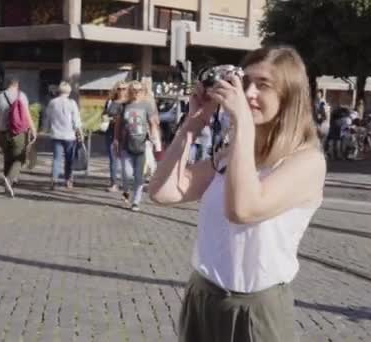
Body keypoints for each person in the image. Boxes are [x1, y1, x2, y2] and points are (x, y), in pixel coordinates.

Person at [149, 46, 326, 341]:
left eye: (263, 85)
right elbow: (162, 191)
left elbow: (243, 210)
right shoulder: (232, 153)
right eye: (245, 83)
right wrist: (193, 125)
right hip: (203, 295)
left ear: (290, 96)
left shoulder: (307, 162)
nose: (249, 93)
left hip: (254, 309)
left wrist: (242, 121)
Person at [113, 81, 159, 211]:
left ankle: (136, 201)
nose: (136, 92)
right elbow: (118, 124)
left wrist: (154, 136)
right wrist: (116, 139)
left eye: (139, 90)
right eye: (133, 90)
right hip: (126, 145)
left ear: (142, 91)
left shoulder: (146, 105)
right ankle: (126, 191)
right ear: (130, 91)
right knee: (126, 174)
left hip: (142, 145)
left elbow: (152, 122)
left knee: (139, 176)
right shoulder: (124, 106)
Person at [0, 78, 37, 198]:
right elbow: (27, 115)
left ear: (7, 85)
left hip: (2, 132)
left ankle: (7, 183)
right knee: (20, 158)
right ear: (17, 85)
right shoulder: (21, 95)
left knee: (7, 157)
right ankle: (10, 180)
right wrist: (33, 130)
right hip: (18, 133)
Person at [42, 81, 83, 190]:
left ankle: (54, 180)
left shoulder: (52, 103)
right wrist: (80, 132)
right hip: (69, 136)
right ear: (69, 91)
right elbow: (76, 121)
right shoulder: (72, 103)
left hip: (56, 134)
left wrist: (45, 129)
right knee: (69, 159)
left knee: (57, 159)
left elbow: (47, 118)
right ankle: (68, 180)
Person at [102, 81, 128, 192]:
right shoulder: (110, 101)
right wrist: (104, 118)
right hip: (110, 132)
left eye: (124, 88)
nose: (121, 91)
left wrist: (113, 119)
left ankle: (126, 182)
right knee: (113, 159)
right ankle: (114, 183)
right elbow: (104, 113)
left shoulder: (129, 102)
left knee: (125, 159)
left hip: (125, 134)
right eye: (119, 88)